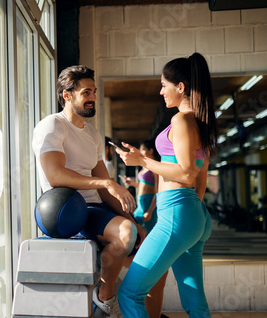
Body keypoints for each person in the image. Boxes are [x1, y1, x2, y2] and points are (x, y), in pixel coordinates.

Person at [32, 65, 143, 318]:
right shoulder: (52, 126)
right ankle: (105, 299)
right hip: (72, 209)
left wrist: (133, 220)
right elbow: (55, 176)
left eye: (93, 91)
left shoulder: (93, 134)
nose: (92, 97)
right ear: (67, 95)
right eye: (86, 92)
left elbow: (105, 189)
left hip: (98, 208)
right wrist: (105, 184)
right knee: (125, 235)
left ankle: (142, 310)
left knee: (145, 246)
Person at [115, 52, 217, 317]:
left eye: (164, 85)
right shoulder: (201, 123)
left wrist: (142, 161)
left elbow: (186, 174)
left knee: (129, 293)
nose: (161, 91)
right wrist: (189, 212)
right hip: (193, 215)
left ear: (180, 87)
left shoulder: (181, 120)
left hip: (177, 215)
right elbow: (200, 181)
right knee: (195, 303)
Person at [122, 139, 168, 318]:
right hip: (140, 206)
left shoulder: (155, 166)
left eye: (142, 149)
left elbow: (157, 190)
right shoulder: (143, 167)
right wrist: (131, 184)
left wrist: (150, 210)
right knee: (140, 240)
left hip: (149, 205)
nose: (140, 152)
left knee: (149, 243)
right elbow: (143, 186)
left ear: (150, 150)